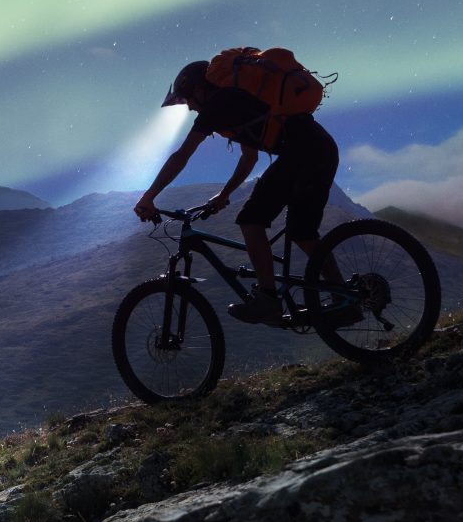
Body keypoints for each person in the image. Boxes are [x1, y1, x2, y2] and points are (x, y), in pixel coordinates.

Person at [132, 58, 340, 324]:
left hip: (303, 152)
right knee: (302, 232)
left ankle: (268, 299)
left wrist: (149, 196)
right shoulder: (236, 102)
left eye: (188, 100)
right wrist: (224, 194)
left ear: (199, 89)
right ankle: (343, 298)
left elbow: (182, 155)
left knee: (251, 220)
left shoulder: (219, 103)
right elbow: (249, 158)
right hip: (320, 150)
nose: (191, 108)